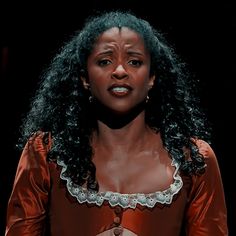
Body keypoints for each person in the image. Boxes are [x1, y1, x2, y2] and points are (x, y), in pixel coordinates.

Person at [5, 10, 228, 236]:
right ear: (85, 79)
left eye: (134, 61)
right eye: (104, 61)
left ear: (151, 78)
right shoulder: (45, 153)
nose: (120, 71)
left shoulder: (194, 159)